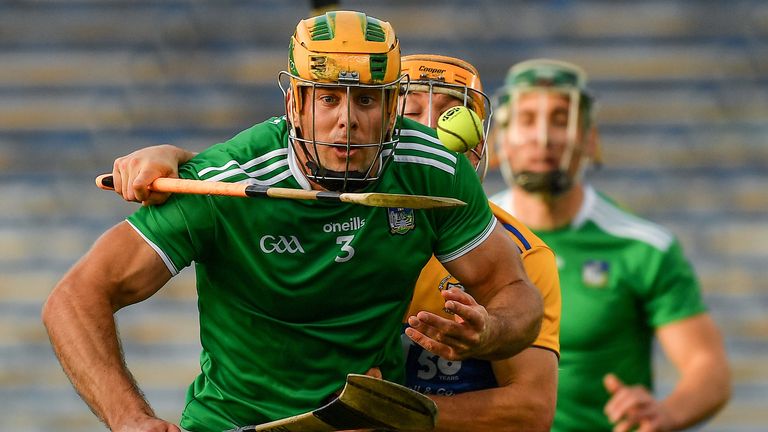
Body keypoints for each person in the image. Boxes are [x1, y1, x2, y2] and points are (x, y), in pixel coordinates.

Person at [41, 11, 543, 432]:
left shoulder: (433, 172)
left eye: (366, 99)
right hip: (233, 424)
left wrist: (492, 332)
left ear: (392, 107)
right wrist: (130, 419)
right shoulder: (224, 184)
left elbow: (513, 291)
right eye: (328, 98)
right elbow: (74, 298)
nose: (347, 120)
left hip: (358, 425)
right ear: (295, 104)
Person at [490, 58, 731, 432]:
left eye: (560, 119)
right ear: (498, 141)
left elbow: (708, 368)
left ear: (590, 140)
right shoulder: (469, 236)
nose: (543, 137)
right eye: (526, 119)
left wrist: (665, 413)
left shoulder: (643, 247)